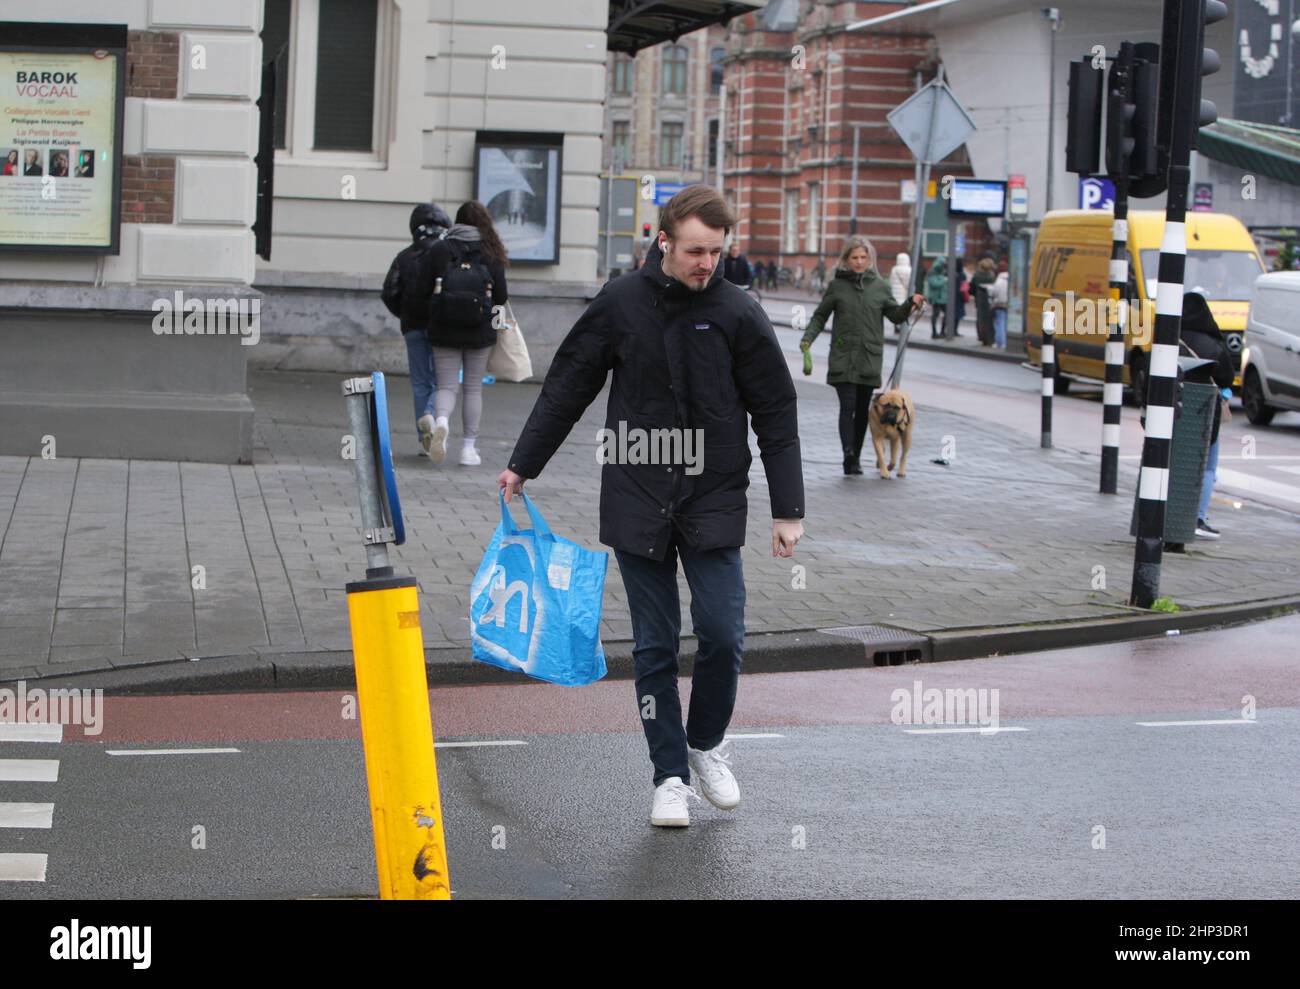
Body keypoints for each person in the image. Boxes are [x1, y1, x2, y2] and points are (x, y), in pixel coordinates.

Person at [497, 185, 805, 828]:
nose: (706, 264)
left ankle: (706, 743)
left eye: (716, 252)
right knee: (655, 645)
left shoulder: (738, 311)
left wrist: (788, 508)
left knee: (722, 633)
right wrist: (525, 461)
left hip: (714, 496)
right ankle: (668, 776)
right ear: (664, 241)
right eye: (695, 250)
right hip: (637, 494)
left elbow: (776, 411)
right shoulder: (620, 302)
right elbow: (570, 385)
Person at [799, 235, 924, 475]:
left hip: (869, 358)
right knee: (847, 407)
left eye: (863, 258)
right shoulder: (837, 286)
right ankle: (848, 456)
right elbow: (820, 316)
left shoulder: (880, 286)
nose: (859, 262)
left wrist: (910, 303)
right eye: (854, 257)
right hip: (843, 357)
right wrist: (808, 339)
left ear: (870, 259)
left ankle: (855, 453)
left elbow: (896, 316)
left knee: (862, 409)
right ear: (846, 259)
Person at [424, 200, 509, 467]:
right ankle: (468, 450)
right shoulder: (491, 251)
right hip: (479, 329)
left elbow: (423, 288)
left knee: (447, 385)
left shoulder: (441, 249)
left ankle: (441, 423)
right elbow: (501, 296)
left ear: (457, 221)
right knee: (473, 388)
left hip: (443, 327)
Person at [382, 203, 451, 455]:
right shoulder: (447, 255)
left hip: (412, 327)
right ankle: (435, 419)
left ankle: (425, 435)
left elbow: (389, 291)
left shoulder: (404, 256)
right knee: (442, 381)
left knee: (421, 382)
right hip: (442, 327)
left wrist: (406, 314)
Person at [1180, 292, 1234, 539]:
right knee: (1208, 465)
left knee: (1174, 462)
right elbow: (1226, 378)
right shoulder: (1213, 344)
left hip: (1174, 409)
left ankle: (1171, 511)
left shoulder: (1169, 338)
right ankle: (1198, 517)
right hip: (1205, 411)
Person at [971, 257, 996, 346]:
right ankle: (989, 337)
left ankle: (981, 336)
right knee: (989, 319)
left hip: (979, 299)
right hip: (990, 300)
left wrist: (974, 294)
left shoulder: (976, 275)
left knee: (980, 318)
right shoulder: (992, 276)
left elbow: (971, 288)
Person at [888, 252, 913, 335]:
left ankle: (896, 328)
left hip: (895, 294)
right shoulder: (909, 270)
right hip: (904, 293)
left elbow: (891, 281)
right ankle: (903, 327)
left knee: (897, 311)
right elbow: (909, 283)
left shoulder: (894, 269)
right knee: (905, 310)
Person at [924, 255, 949, 338]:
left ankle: (942, 331)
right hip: (936, 298)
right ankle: (934, 332)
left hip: (944, 298)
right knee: (935, 314)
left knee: (947, 314)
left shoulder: (943, 272)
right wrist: (943, 280)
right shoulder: (932, 272)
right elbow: (934, 284)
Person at [990, 260, 1010, 349]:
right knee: (1005, 323)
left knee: (999, 323)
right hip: (1009, 304)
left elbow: (994, 292)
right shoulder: (1011, 278)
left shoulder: (999, 280)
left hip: (1000, 304)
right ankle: (1005, 342)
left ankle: (1000, 342)